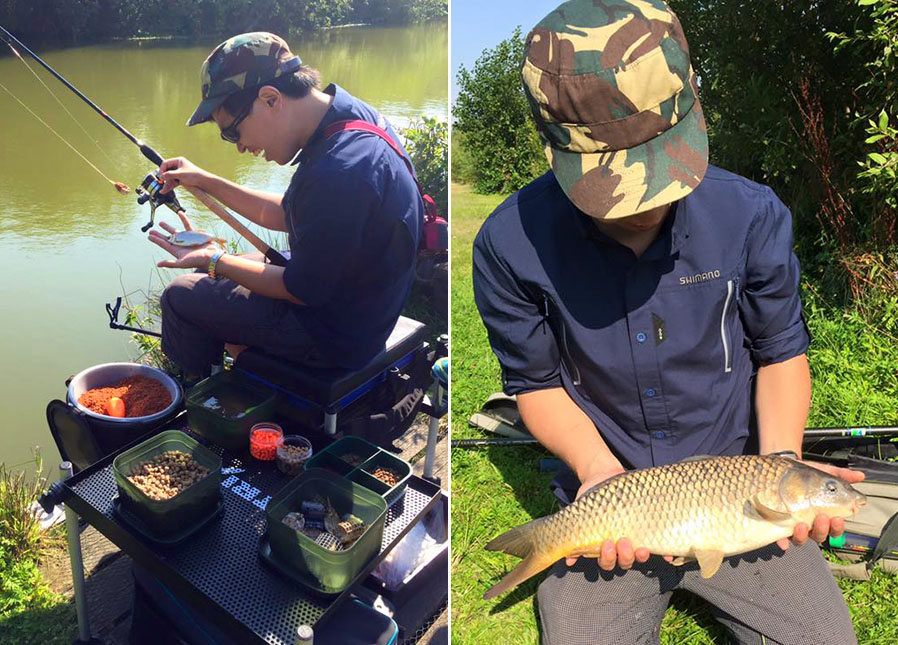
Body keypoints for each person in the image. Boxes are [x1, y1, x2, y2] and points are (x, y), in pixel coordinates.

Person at [471, 1, 864, 643]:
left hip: (739, 489)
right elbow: (535, 386)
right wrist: (597, 474)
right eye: (611, 178)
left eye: (656, 162)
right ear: (554, 144)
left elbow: (781, 353)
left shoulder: (750, 215)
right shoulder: (508, 245)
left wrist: (782, 466)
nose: (641, 203)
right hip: (612, 498)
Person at [148, 32, 423, 380]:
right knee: (215, 273)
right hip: (359, 295)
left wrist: (215, 258)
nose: (239, 147)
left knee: (180, 295)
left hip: (338, 335)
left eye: (232, 132)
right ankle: (243, 366)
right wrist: (205, 180)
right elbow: (289, 213)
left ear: (270, 99)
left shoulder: (339, 171)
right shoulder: (347, 118)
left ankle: (203, 395)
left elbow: (298, 290)